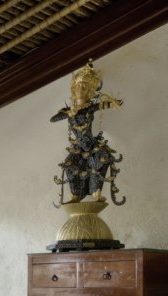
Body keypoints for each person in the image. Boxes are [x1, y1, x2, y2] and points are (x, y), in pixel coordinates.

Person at [51, 60, 125, 206]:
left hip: (91, 144)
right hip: (78, 147)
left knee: (100, 159)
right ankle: (76, 195)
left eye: (85, 87)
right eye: (78, 85)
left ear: (90, 91)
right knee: (71, 165)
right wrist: (69, 113)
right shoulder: (68, 111)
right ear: (74, 88)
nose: (81, 89)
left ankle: (96, 192)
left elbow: (101, 105)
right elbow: (53, 119)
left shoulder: (89, 108)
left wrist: (113, 103)